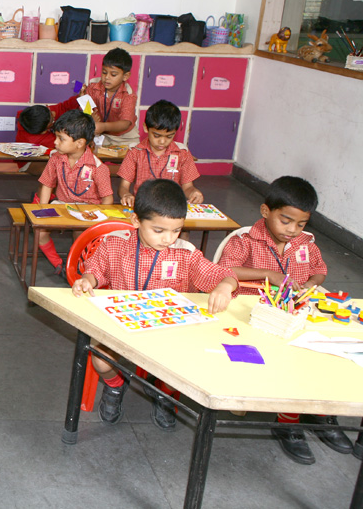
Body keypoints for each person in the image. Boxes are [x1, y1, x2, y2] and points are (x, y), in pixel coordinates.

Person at [71, 179, 238, 429]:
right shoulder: (115, 243)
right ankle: (116, 385)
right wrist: (87, 280)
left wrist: (225, 286)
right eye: (159, 231)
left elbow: (224, 275)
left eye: (176, 230)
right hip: (122, 325)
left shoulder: (185, 253)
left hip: (169, 331)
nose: (168, 239)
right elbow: (95, 269)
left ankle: (164, 393)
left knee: (180, 369)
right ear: (136, 220)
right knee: (101, 360)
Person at [217, 175, 351, 465]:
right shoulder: (245, 241)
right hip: (252, 316)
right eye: (286, 221)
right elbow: (225, 269)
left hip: (294, 314)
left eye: (301, 224)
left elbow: (319, 269)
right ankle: (287, 421)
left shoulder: (306, 244)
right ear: (266, 211)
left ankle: (322, 415)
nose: (292, 230)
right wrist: (270, 275)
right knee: (290, 358)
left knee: (324, 355)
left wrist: (312, 283)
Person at [36, 110, 114, 273]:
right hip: (61, 205)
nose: (55, 142)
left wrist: (100, 220)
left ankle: (75, 265)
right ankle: (58, 263)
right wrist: (42, 210)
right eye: (56, 137)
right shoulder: (56, 158)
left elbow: (107, 198)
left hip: (87, 210)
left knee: (80, 237)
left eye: (61, 138)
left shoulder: (98, 167)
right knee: (40, 233)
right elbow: (47, 185)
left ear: (79, 143)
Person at [118, 100, 202, 207]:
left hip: (171, 206)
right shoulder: (135, 152)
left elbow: (188, 187)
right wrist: (126, 195)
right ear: (146, 128)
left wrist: (193, 193)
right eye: (157, 136)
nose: (162, 141)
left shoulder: (182, 153)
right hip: (143, 206)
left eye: (169, 136)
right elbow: (123, 186)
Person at [83, 47, 138, 147]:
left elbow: (125, 123)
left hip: (124, 137)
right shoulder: (93, 86)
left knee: (131, 155)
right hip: (100, 134)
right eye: (104, 72)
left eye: (113, 74)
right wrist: (90, 115)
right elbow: (87, 109)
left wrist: (104, 126)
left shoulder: (128, 95)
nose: (107, 77)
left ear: (125, 76)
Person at [14, 92, 80, 151]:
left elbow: (63, 107)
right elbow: (70, 145)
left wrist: (79, 98)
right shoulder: (39, 140)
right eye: (52, 120)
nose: (54, 113)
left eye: (49, 111)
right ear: (44, 131)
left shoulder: (38, 116)